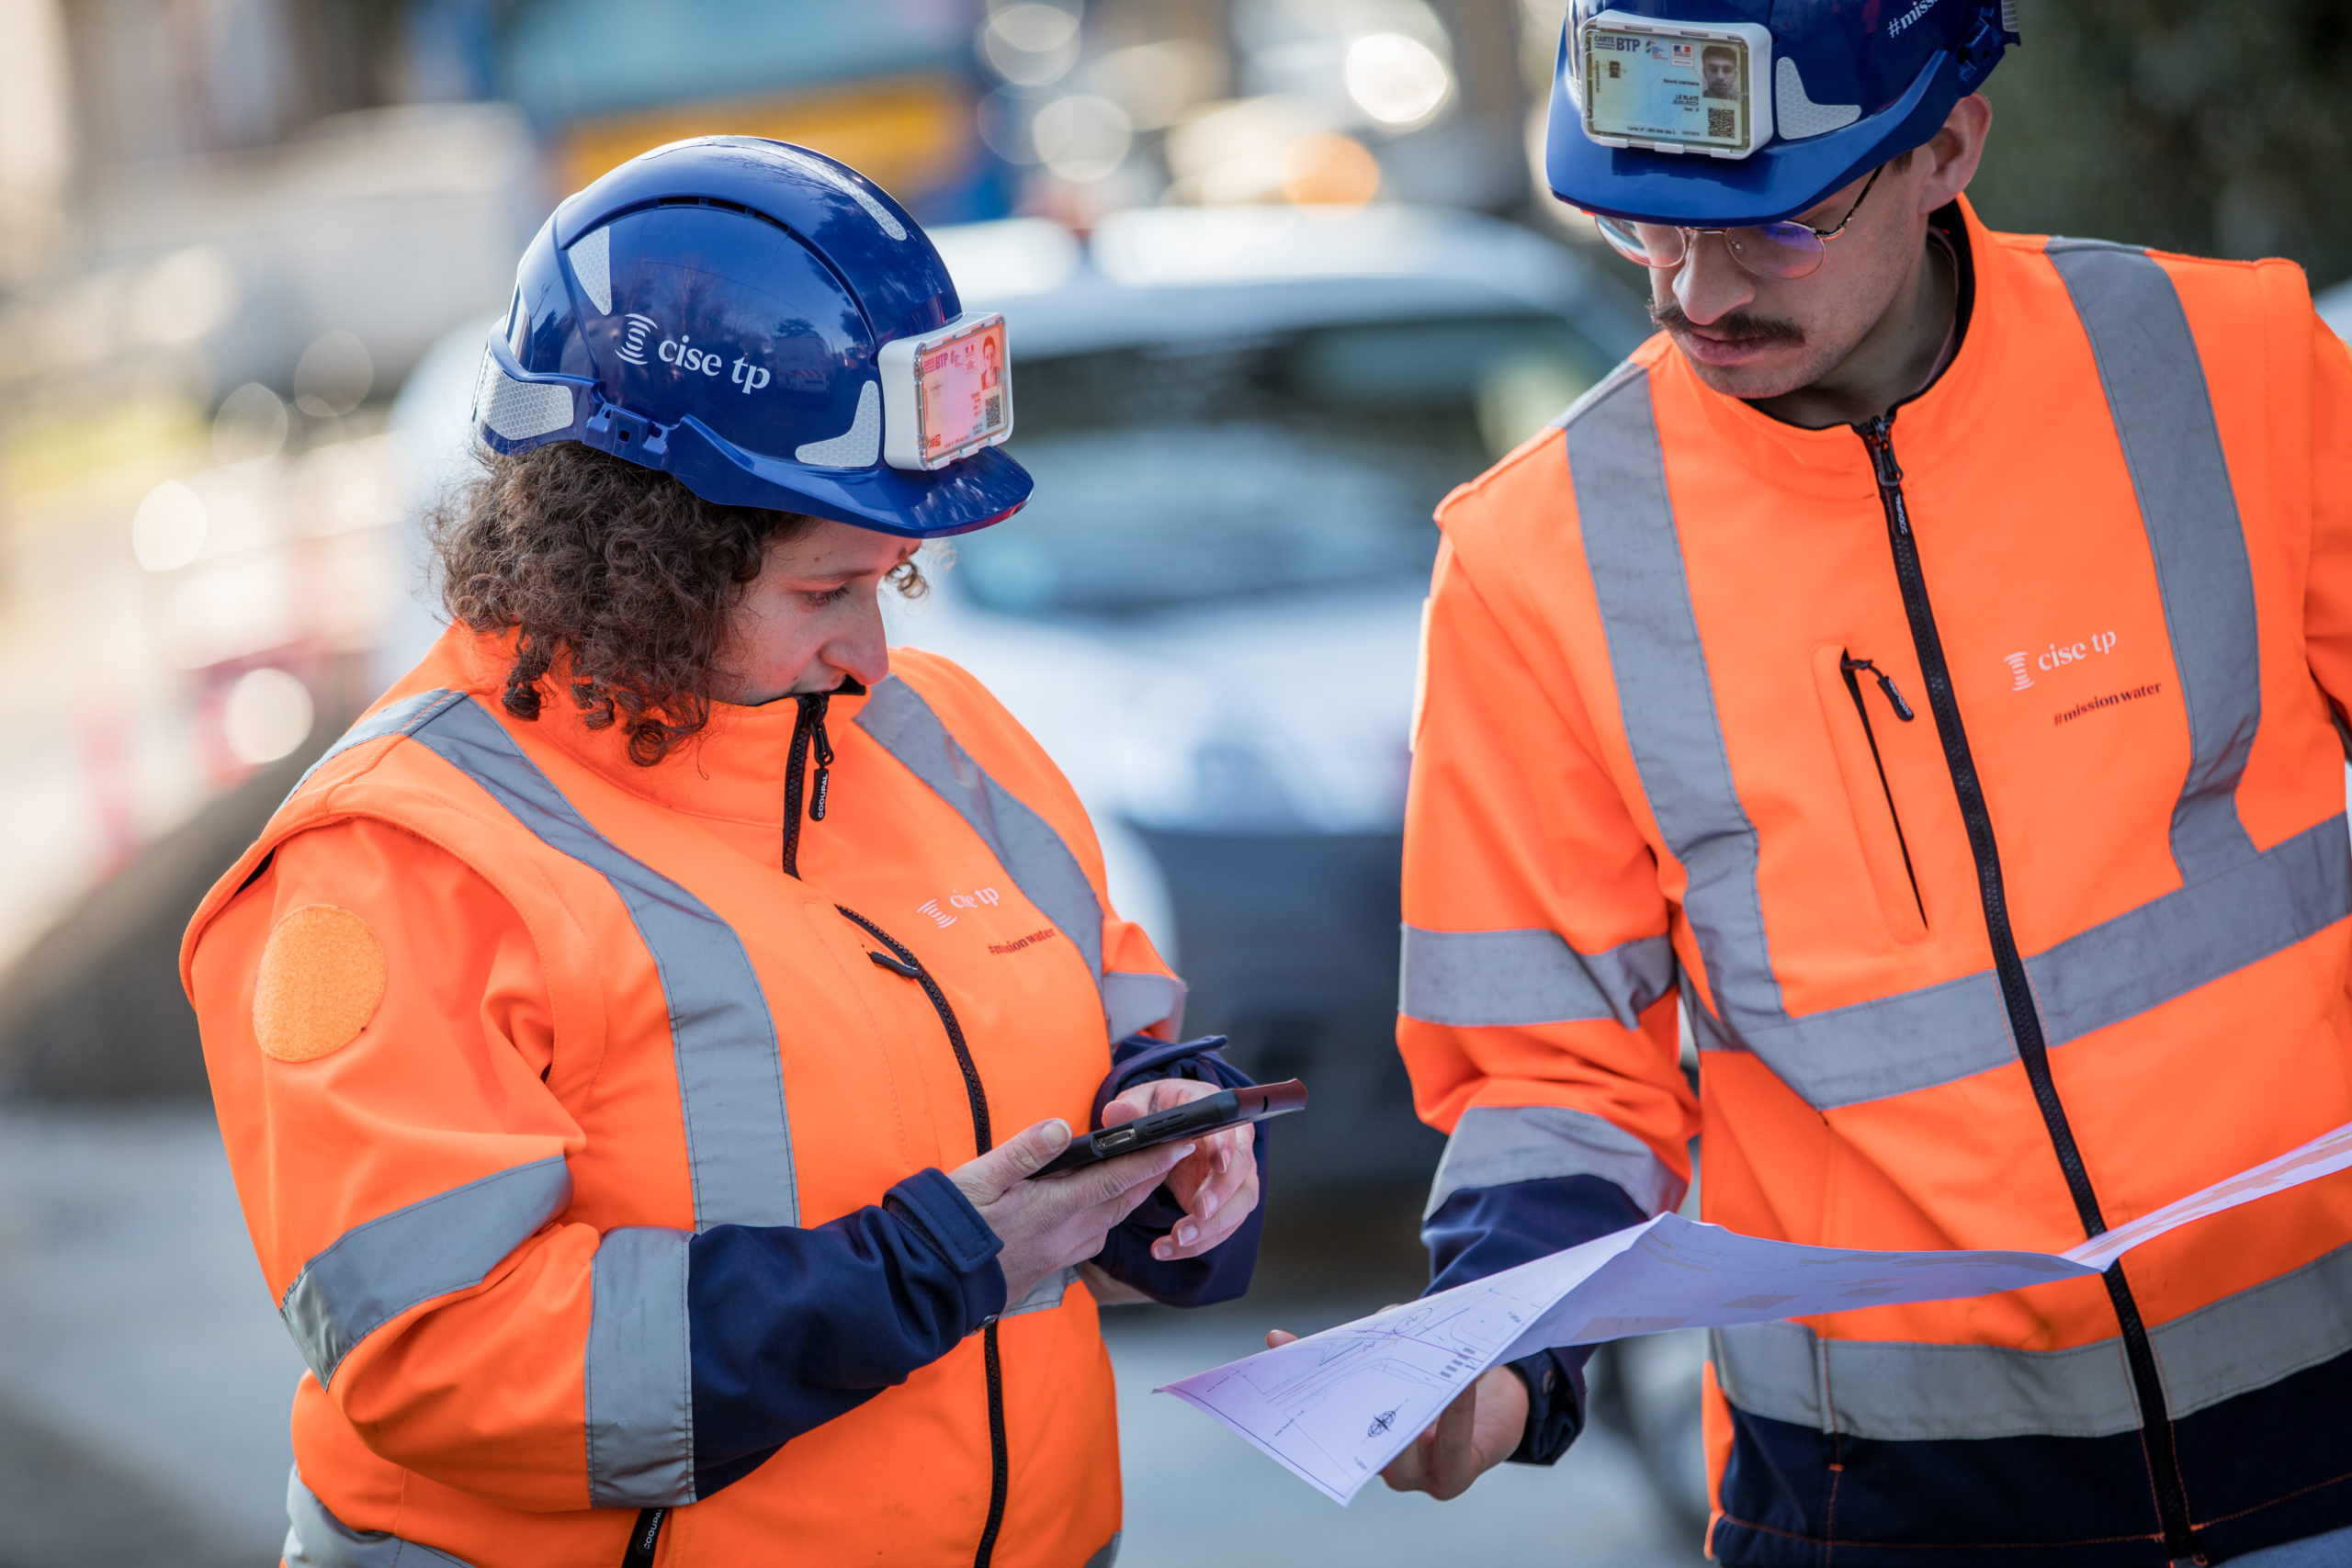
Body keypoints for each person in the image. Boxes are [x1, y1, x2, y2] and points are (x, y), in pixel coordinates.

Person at [182, 139, 1265, 1568]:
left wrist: (1167, 1148)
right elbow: (440, 1356)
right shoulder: (395, 858)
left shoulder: (949, 737)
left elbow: (1106, 1046)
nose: (871, 651)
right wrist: (924, 1271)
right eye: (824, 587)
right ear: (641, 551)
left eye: (889, 581)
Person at [1368, 1, 2352, 1562]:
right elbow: (1548, 1073)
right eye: (1644, 227)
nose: (1697, 289)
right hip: (1884, 1497)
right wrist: (1497, 1356)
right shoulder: (1532, 561)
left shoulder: (2222, 364)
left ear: (1948, 145)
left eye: (1771, 225)